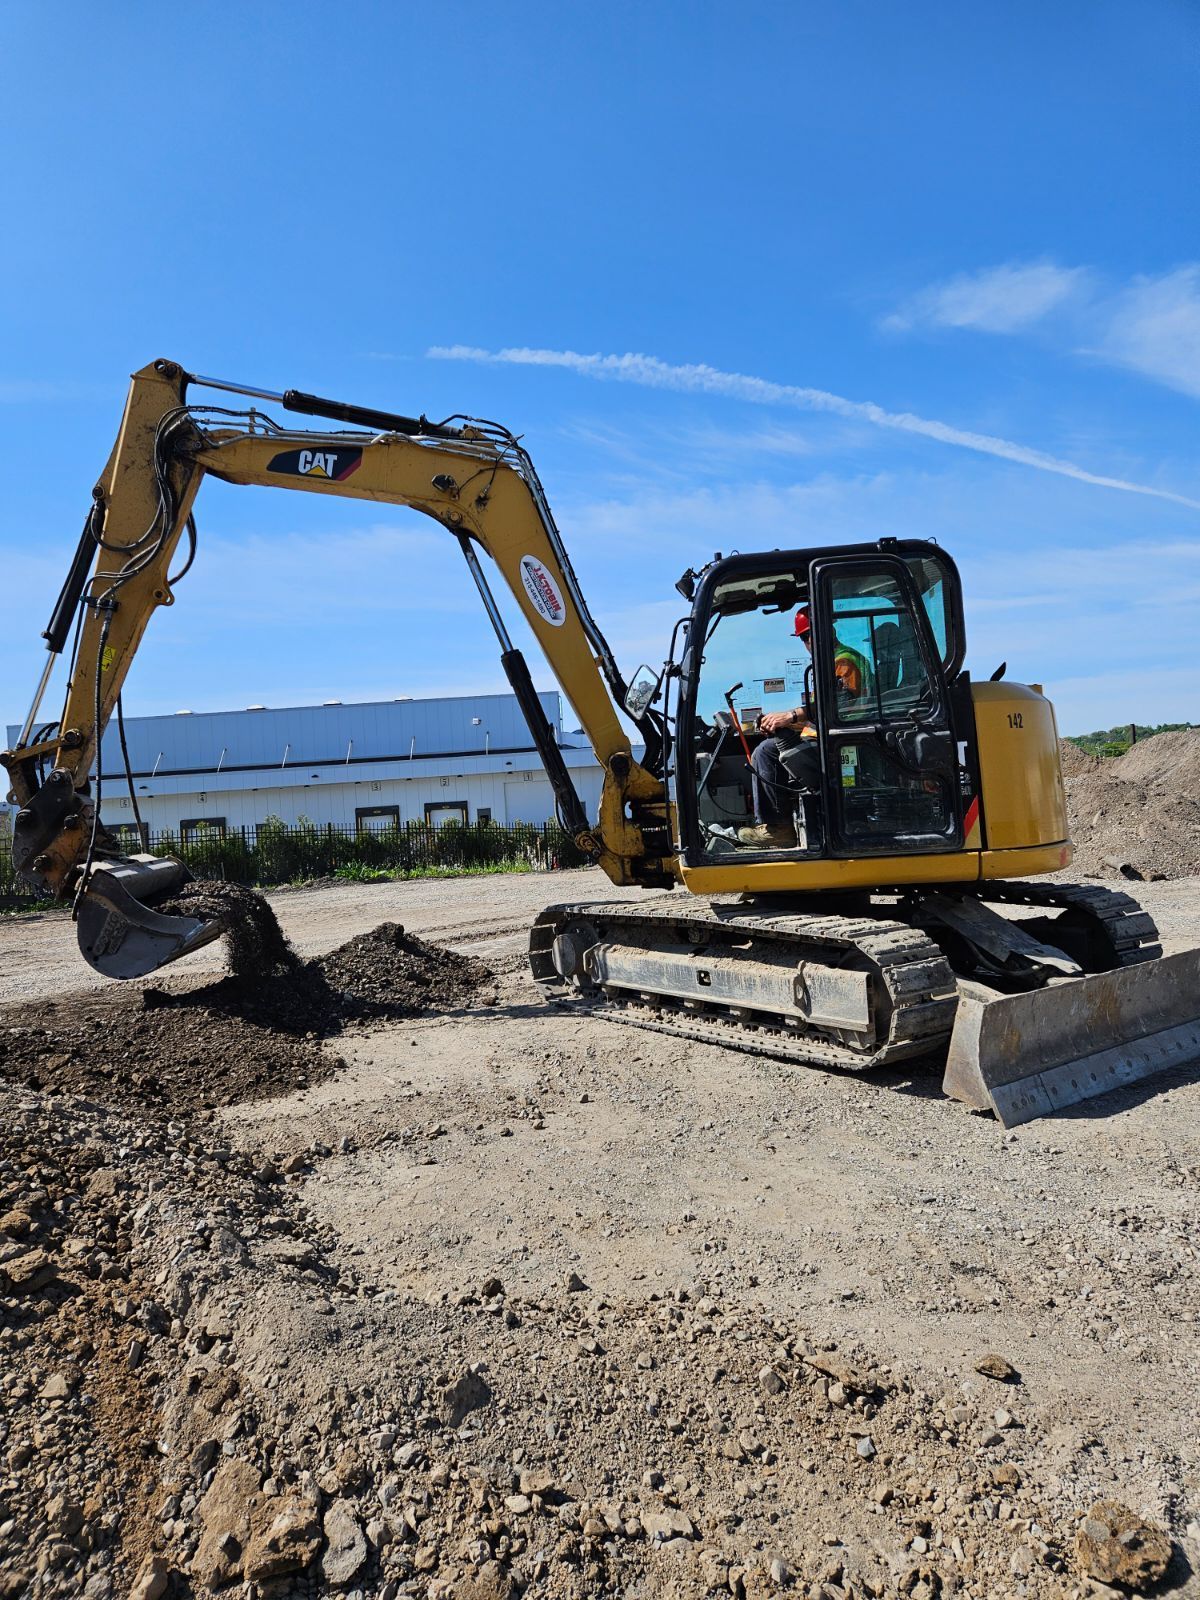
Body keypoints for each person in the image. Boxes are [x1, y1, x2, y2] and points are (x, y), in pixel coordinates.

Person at [737, 606, 871, 848]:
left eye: (809, 635)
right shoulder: (828, 662)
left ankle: (778, 828)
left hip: (841, 740)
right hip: (827, 735)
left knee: (765, 753)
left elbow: (836, 707)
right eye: (804, 637)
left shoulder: (843, 662)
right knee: (771, 744)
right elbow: (817, 712)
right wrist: (777, 721)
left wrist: (789, 716)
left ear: (828, 630)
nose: (808, 641)